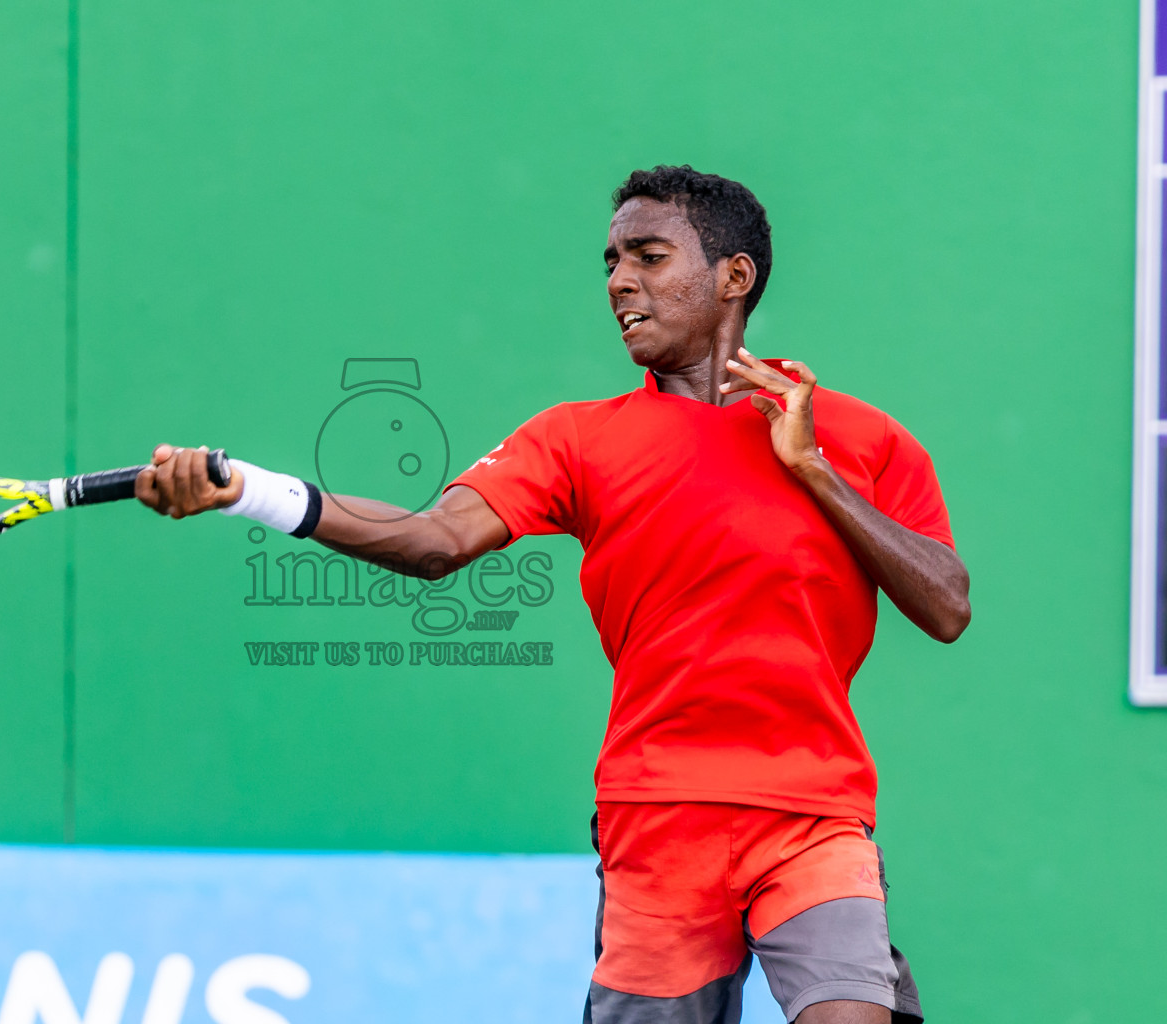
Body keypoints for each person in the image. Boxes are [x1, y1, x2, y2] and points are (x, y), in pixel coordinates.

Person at [135, 165, 969, 1024]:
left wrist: (812, 470)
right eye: (611, 261)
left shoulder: (864, 439)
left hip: (814, 818)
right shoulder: (578, 438)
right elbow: (433, 542)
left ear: (734, 277)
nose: (619, 281)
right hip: (656, 821)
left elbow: (947, 606)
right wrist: (249, 490)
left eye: (649, 256)